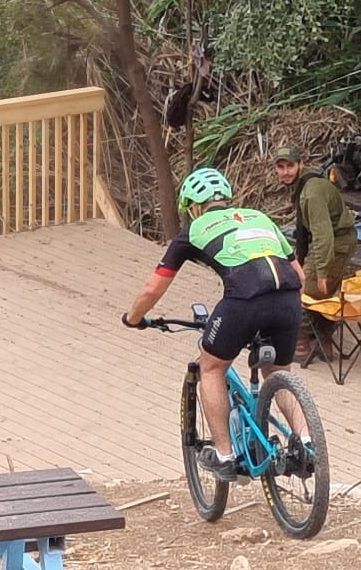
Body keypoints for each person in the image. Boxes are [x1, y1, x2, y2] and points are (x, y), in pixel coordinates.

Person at [122, 167, 310, 478]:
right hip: (288, 300)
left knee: (210, 368)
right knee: (278, 373)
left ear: (193, 207)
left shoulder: (193, 230)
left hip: (244, 301)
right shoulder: (259, 217)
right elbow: (300, 276)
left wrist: (134, 318)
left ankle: (225, 456)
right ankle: (306, 444)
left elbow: (153, 288)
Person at [274, 144, 356, 362]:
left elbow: (323, 236)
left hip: (337, 243)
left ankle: (302, 343)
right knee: (306, 284)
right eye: (281, 167)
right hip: (332, 241)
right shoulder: (304, 185)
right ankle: (322, 341)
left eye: (290, 166)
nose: (285, 172)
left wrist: (321, 272)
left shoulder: (311, 193)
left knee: (300, 291)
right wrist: (300, 261)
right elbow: (304, 231)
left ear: (300, 165)